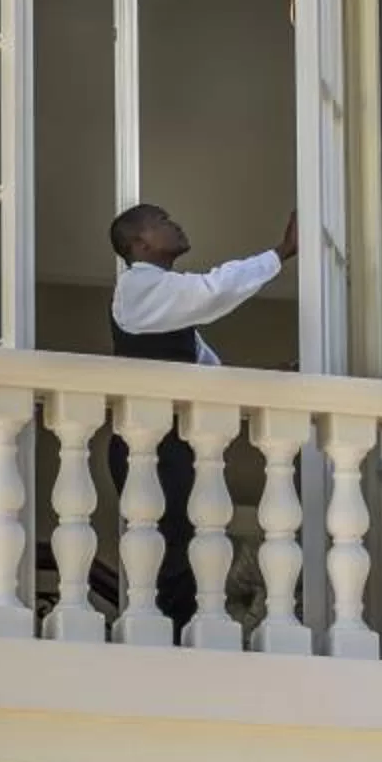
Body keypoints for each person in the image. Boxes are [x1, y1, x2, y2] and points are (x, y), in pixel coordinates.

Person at [104, 203, 297, 627]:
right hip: (149, 447)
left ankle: (183, 634)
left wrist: (270, 381)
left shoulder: (163, 303)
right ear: (140, 243)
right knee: (173, 548)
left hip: (167, 445)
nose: (176, 224)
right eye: (163, 221)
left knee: (185, 543)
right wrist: (280, 253)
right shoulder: (138, 286)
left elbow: (212, 375)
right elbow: (212, 291)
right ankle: (173, 643)